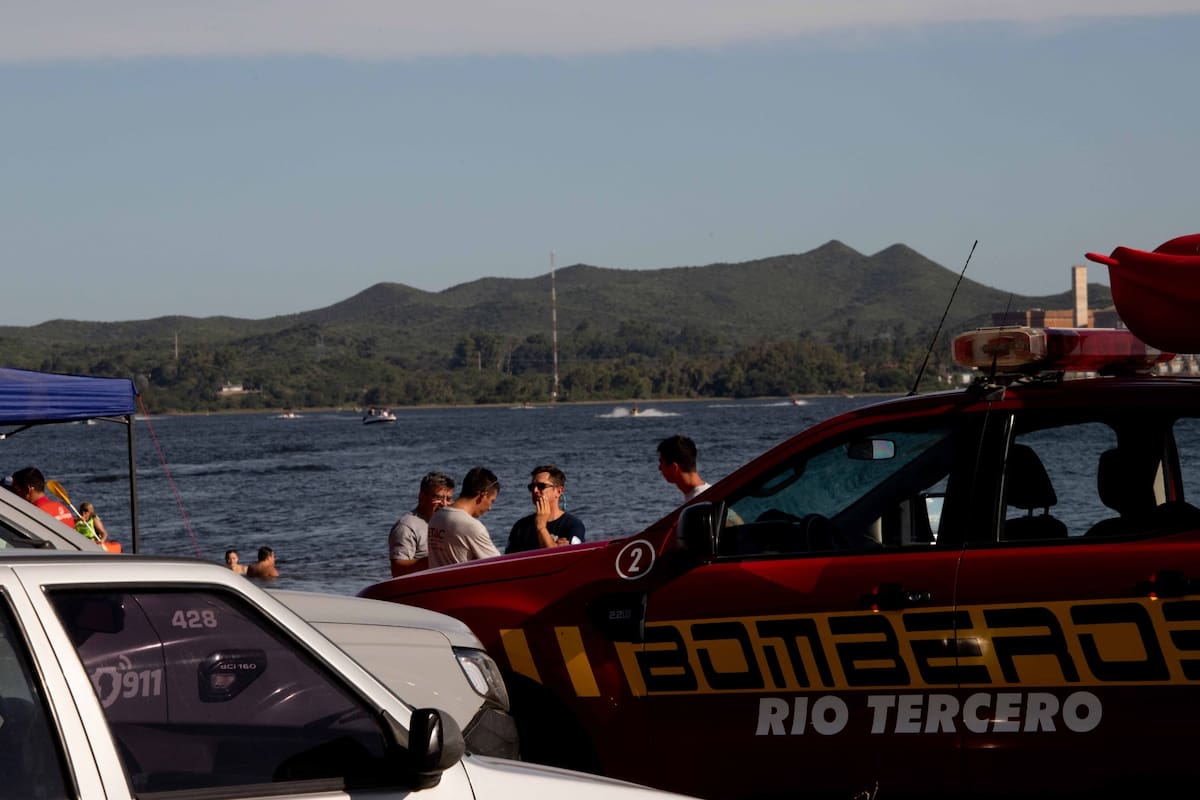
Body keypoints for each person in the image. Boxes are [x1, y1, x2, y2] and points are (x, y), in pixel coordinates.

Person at [427, 467, 501, 567]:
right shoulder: (471, 526)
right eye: (492, 501)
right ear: (483, 495)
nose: (490, 508)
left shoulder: (436, 517)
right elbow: (498, 565)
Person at [506, 465, 585, 554]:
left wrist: (541, 527)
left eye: (541, 486)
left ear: (558, 491)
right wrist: (554, 545)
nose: (535, 490)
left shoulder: (573, 525)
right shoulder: (521, 526)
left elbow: (559, 558)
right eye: (532, 487)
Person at [389, 472, 455, 576]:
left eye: (449, 499)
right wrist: (438, 559)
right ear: (422, 496)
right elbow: (398, 570)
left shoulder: (447, 523)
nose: (444, 504)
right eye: (438, 498)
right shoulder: (406, 527)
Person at [10, 467, 75, 528]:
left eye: (15, 489)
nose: (13, 494)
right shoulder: (63, 508)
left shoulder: (34, 515)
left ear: (27, 489)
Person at [657, 435, 711, 502]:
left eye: (661, 462)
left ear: (674, 468)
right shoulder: (710, 492)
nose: (659, 468)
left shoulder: (697, 502)